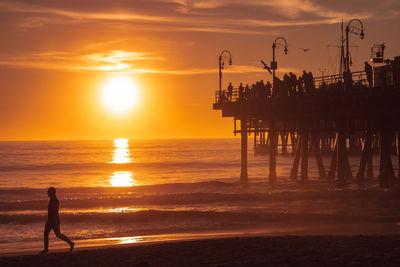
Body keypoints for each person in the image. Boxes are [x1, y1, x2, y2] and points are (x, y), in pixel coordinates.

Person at [41, 187, 74, 254]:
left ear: (52, 193)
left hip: (53, 220)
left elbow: (54, 212)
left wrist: (53, 221)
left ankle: (71, 243)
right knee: (48, 234)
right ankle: (46, 249)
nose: (47, 193)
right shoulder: (53, 200)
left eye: (48, 192)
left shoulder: (54, 200)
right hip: (52, 220)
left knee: (57, 234)